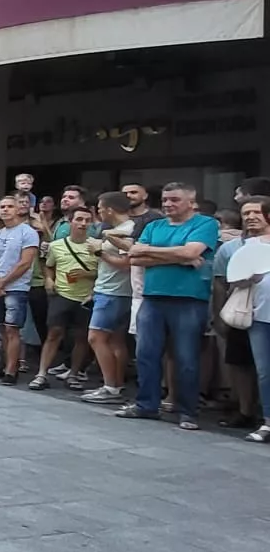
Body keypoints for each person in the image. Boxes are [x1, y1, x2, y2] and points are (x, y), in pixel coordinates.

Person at [121, 181, 221, 430]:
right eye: (165, 199)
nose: (167, 204)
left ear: (191, 202)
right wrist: (178, 257)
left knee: (186, 358)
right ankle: (146, 405)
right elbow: (135, 257)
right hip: (152, 297)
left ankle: (188, 412)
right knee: (146, 354)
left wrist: (150, 250)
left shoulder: (205, 224)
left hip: (189, 299)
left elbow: (191, 253)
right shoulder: (155, 225)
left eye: (174, 199)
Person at [214, 197, 269, 429]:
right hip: (243, 312)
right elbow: (220, 282)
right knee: (245, 364)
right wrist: (219, 315)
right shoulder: (231, 248)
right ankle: (248, 413)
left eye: (257, 212)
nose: (251, 217)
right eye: (246, 213)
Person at [81, 191, 137, 404]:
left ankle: (110, 387)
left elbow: (126, 264)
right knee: (115, 340)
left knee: (96, 337)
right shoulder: (122, 228)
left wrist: (99, 252)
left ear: (110, 210)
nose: (99, 212)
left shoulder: (126, 231)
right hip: (113, 290)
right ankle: (116, 385)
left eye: (101, 208)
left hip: (113, 291)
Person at [33, 205, 97, 391]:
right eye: (79, 219)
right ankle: (41, 374)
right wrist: (49, 279)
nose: (83, 224)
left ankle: (74, 374)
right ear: (70, 222)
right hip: (61, 294)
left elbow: (104, 272)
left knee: (81, 338)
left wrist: (87, 275)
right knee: (54, 333)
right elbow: (49, 265)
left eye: (87, 220)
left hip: (86, 297)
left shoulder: (96, 246)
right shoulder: (56, 246)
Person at [0, 196, 42, 385]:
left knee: (12, 329)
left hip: (16, 287)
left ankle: (12, 370)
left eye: (10, 206)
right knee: (1, 328)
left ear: (18, 209)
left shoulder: (28, 233)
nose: (5, 210)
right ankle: (3, 366)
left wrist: (2, 282)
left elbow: (25, 263)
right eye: (2, 207)